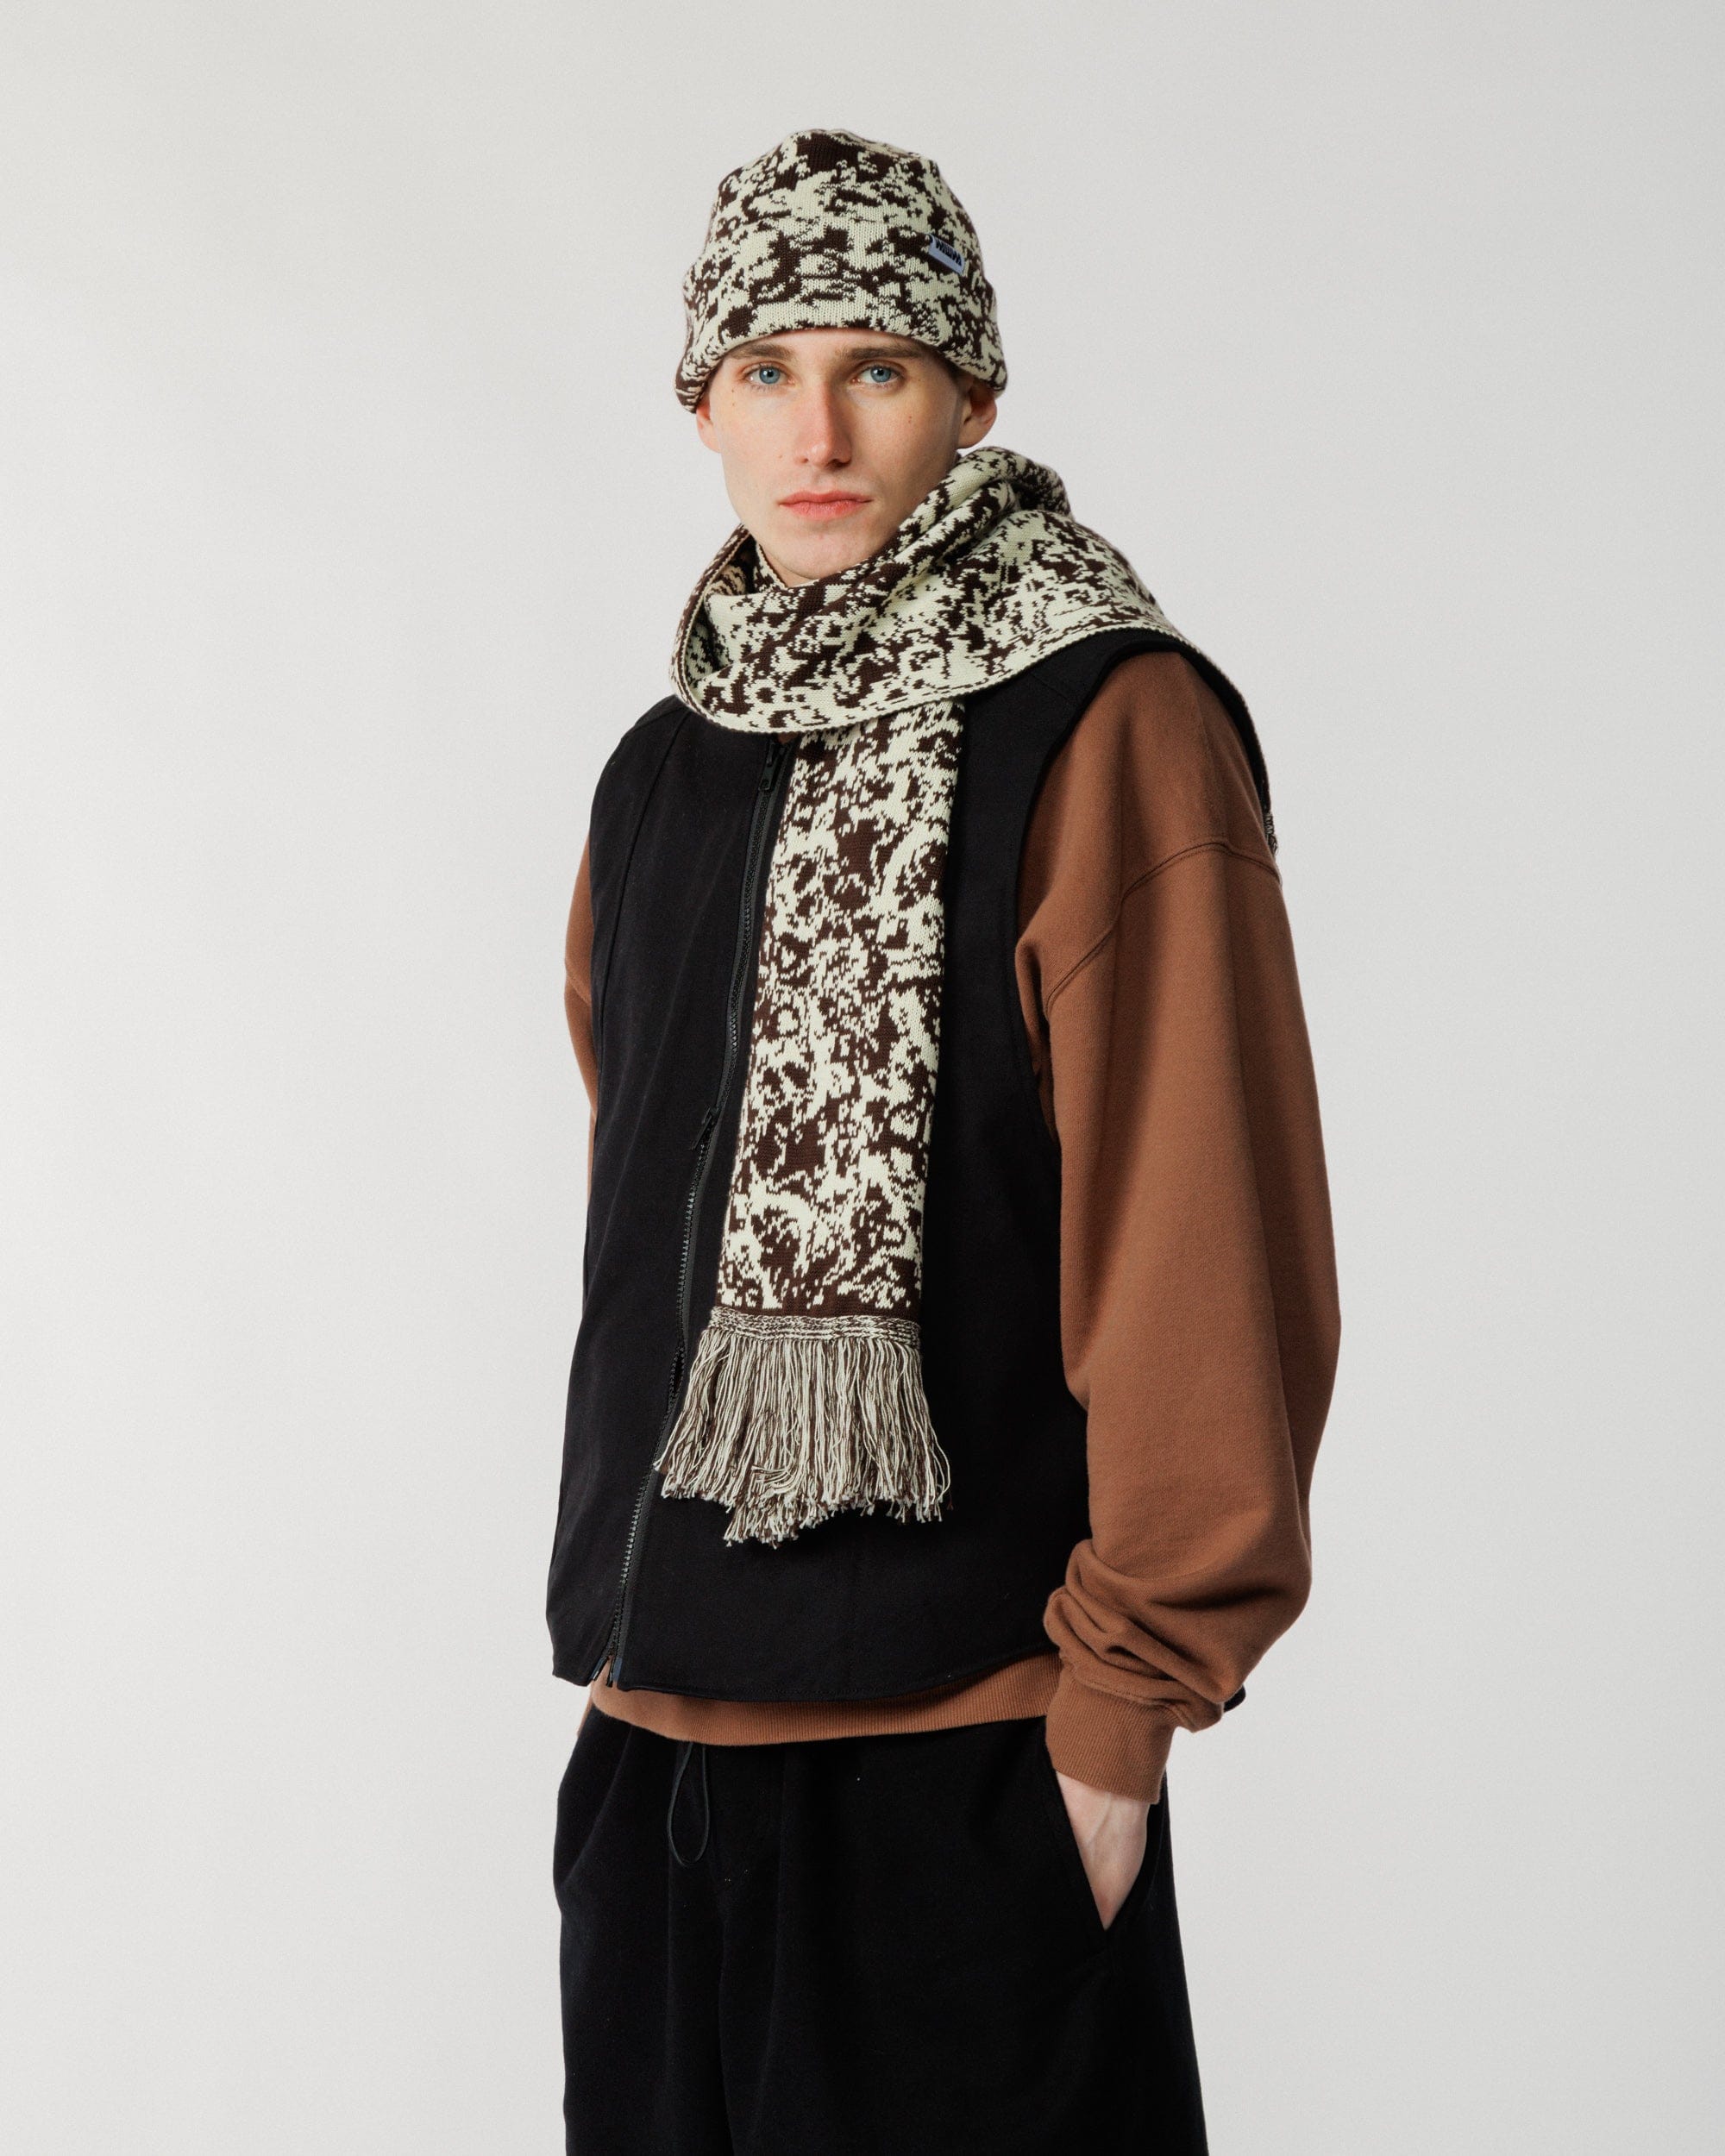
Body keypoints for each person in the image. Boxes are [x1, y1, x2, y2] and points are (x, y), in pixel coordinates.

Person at [547, 128, 1339, 2155]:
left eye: (877, 367)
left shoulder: (1111, 723)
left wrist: (1118, 1720)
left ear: (971, 393)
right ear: (702, 406)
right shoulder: (667, 768)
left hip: (971, 1766)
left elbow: (1199, 1234)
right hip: (652, 1765)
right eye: (766, 370)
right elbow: (643, 1207)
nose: (816, 431)